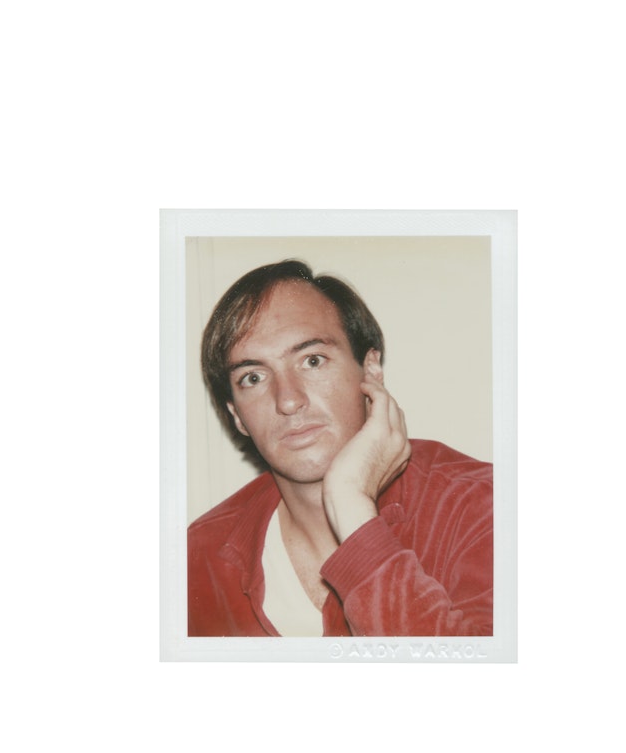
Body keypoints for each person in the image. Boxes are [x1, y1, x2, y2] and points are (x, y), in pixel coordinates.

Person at [188, 259, 493, 637]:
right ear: (237, 415)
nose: (288, 400)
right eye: (253, 377)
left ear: (371, 371)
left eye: (312, 361)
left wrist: (352, 508)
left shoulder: (480, 504)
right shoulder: (196, 558)